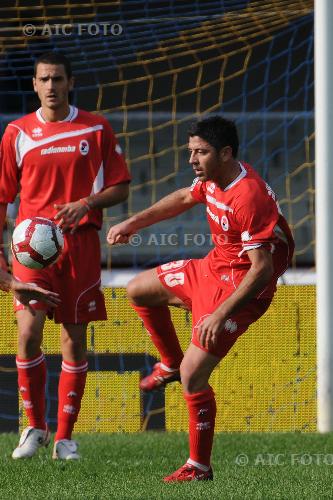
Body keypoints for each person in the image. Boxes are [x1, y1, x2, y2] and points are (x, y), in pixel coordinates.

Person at [107, 116, 294, 482]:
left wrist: (219, 313)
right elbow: (182, 197)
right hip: (212, 268)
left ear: (225, 153)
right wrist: (133, 224)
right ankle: (170, 362)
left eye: (201, 152)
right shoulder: (213, 178)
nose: (192, 159)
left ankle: (199, 467)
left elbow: (262, 269)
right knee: (138, 290)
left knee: (195, 376)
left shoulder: (249, 196)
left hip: (243, 287)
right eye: (190, 151)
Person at [0, 52, 130, 460]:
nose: (51, 85)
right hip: (31, 249)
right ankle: (34, 427)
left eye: (58, 78)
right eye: (44, 79)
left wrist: (86, 202)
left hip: (80, 244)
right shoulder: (16, 133)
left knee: (74, 342)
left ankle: (64, 438)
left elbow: (122, 187)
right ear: (35, 85)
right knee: (27, 333)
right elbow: (2, 196)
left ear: (70, 82)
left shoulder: (96, 127)